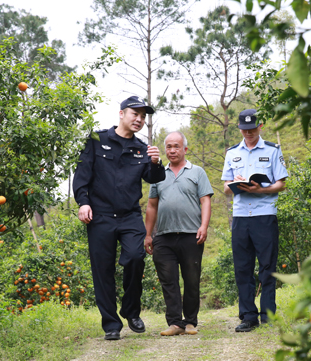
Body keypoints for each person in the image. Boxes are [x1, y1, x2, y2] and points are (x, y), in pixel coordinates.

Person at [73, 96, 166, 341]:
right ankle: (111, 324)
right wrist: (83, 202)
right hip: (100, 216)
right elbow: (82, 174)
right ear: (121, 113)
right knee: (102, 271)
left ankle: (130, 310)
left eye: (143, 116)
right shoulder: (96, 140)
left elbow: (153, 178)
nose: (139, 119)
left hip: (130, 216)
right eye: (135, 114)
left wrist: (156, 163)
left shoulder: (142, 148)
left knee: (136, 257)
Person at [221, 109, 288, 332]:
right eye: (244, 130)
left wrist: (260, 189)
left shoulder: (272, 150)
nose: (248, 133)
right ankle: (248, 316)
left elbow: (281, 183)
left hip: (264, 215)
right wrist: (236, 185)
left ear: (260, 127)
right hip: (241, 217)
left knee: (267, 266)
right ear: (239, 129)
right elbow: (224, 188)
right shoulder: (232, 153)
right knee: (243, 267)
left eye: (252, 129)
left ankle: (268, 314)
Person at [144, 132, 213, 336]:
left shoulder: (197, 172)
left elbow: (205, 201)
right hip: (163, 236)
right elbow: (151, 206)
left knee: (191, 279)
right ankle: (175, 323)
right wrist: (148, 234)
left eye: (176, 146)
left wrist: (204, 226)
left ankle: (190, 321)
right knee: (168, 280)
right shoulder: (157, 174)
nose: (172, 150)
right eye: (169, 147)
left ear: (185, 149)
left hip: (191, 234)